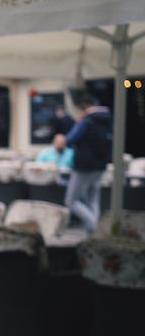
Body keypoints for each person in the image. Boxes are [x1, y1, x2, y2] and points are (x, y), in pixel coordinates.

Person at [64, 95, 112, 234]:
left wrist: (78, 122)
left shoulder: (86, 122)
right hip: (101, 165)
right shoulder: (108, 120)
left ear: (85, 108)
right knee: (92, 200)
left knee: (71, 201)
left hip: (83, 167)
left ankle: (95, 227)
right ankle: (93, 232)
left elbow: (69, 140)